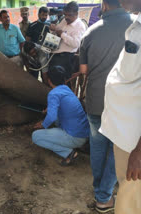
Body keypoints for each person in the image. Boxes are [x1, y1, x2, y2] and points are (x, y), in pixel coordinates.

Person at [73, 0, 133, 212]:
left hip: (96, 101)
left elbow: (83, 70)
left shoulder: (90, 32)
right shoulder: (135, 27)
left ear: (104, 6)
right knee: (114, 152)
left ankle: (101, 193)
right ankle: (103, 197)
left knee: (98, 148)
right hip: (124, 106)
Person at [99, 0, 141, 212]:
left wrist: (140, 152)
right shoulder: (136, 24)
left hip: (135, 143)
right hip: (126, 136)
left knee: (131, 203)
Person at [32, 66, 89, 166]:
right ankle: (71, 144)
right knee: (57, 117)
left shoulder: (53, 94)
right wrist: (50, 110)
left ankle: (68, 153)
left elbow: (51, 117)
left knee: (36, 136)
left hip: (74, 137)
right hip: (83, 134)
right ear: (64, 79)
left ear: (49, 80)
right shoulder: (67, 90)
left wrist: (43, 125)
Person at [49, 1, 86, 80]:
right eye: (65, 14)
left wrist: (62, 34)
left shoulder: (80, 26)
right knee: (52, 81)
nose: (66, 17)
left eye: (70, 15)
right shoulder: (64, 21)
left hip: (65, 58)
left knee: (62, 83)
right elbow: (57, 30)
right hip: (54, 55)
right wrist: (53, 29)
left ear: (76, 14)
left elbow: (76, 43)